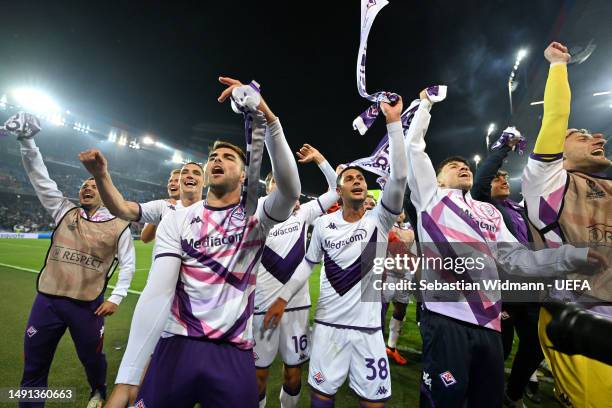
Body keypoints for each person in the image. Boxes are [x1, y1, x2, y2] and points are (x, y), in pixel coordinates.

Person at [94, 76, 300, 408]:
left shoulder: (256, 217)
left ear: (245, 175)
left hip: (233, 353)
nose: (217, 160)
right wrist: (129, 377)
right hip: (177, 345)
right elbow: (158, 292)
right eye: (213, 157)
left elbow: (289, 190)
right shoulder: (177, 217)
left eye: (228, 158)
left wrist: (268, 119)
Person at [404, 88, 606, 408]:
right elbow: (413, 149)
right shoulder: (430, 199)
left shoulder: (490, 213)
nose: (462, 167)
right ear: (437, 180)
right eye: (453, 166)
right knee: (444, 402)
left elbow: (518, 260)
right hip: (446, 318)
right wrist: (425, 105)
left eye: (464, 165)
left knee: (488, 402)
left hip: (490, 325)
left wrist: (572, 256)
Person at [265, 95, 408, 407]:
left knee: (373, 403)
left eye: (360, 178)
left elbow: (398, 177)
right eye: (349, 179)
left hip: (369, 331)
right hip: (328, 327)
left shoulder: (380, 220)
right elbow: (307, 264)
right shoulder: (326, 225)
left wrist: (393, 123)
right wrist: (282, 298)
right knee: (321, 397)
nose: (357, 181)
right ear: (338, 191)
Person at [13, 119, 136, 408]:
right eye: (83, 185)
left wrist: (117, 296)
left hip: (88, 305)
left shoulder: (119, 225)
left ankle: (98, 389)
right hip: (48, 301)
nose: (86, 188)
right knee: (33, 367)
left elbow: (128, 264)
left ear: (106, 192)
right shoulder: (63, 210)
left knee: (92, 359)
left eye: (93, 185)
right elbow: (40, 177)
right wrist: (27, 141)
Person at [521, 41, 612, 408]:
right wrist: (558, 65)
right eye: (583, 135)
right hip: (578, 316)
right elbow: (555, 119)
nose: (600, 138)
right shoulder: (548, 184)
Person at [254, 144, 339, 408]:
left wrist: (320, 159)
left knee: (293, 374)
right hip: (261, 306)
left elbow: (337, 190)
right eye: (274, 182)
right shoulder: (256, 210)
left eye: (284, 182)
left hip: (296, 306)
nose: (280, 186)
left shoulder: (303, 212)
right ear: (267, 187)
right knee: (258, 376)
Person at [470, 132, 543, 406]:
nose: (502, 180)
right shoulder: (484, 208)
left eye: (504, 177)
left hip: (531, 286)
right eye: (497, 178)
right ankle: (486, 392)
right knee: (501, 347)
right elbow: (481, 180)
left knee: (536, 344)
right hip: (503, 288)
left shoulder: (519, 210)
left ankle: (512, 393)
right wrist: (503, 149)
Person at [382, 210, 416, 366]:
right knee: (380, 309)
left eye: (403, 211)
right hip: (387, 273)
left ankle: (392, 347)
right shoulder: (386, 226)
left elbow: (413, 253)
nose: (401, 212)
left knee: (401, 309)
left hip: (404, 275)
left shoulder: (410, 232)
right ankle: (374, 344)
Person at [140, 168, 181, 243]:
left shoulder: (195, 207)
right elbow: (145, 238)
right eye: (170, 181)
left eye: (176, 181)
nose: (172, 183)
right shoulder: (160, 206)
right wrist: (157, 215)